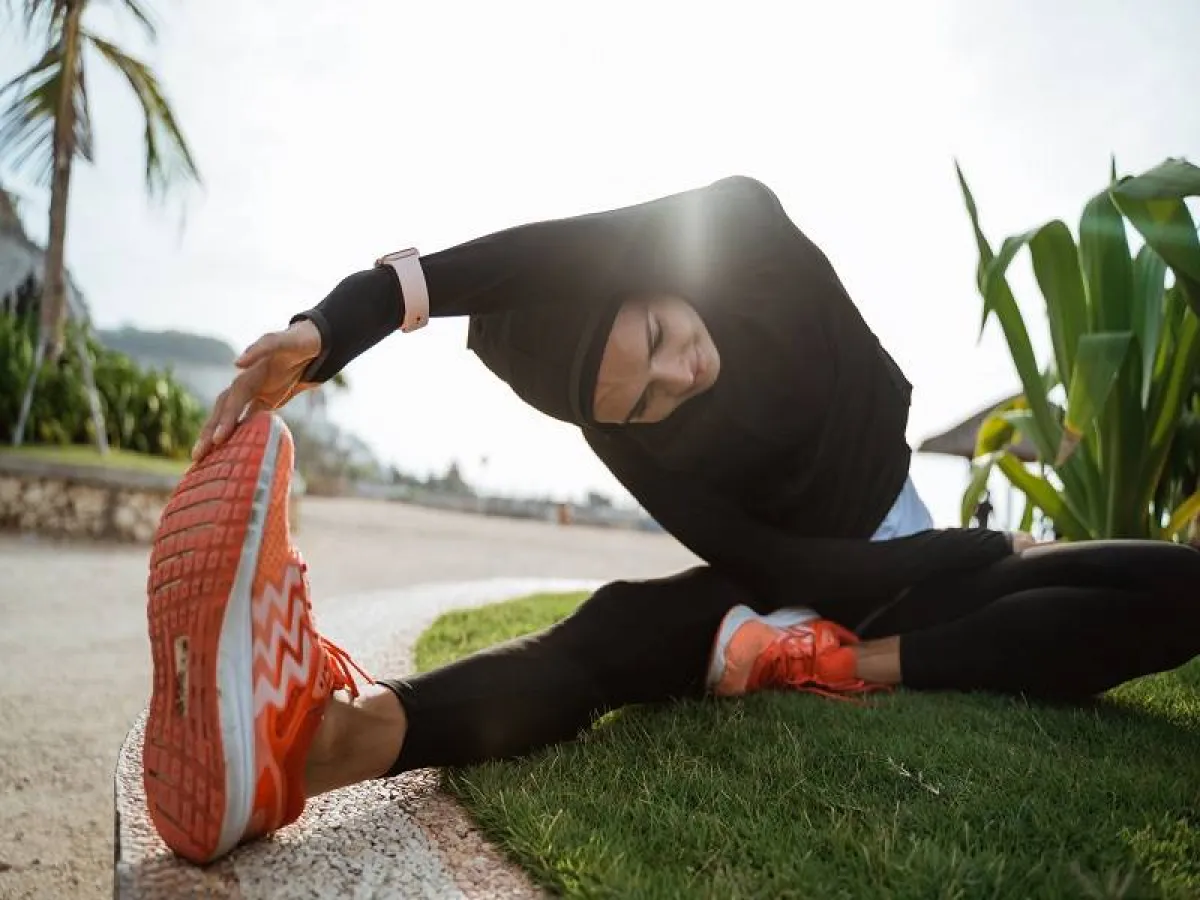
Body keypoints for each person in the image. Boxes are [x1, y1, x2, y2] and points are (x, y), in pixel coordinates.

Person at [142, 177, 1200, 865]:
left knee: (1173, 589)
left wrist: (339, 322)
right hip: (801, 578)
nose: (679, 381)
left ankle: (845, 665)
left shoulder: (739, 231)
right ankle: (312, 745)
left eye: (659, 335)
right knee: (619, 633)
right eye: (639, 397)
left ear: (652, 276)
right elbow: (774, 559)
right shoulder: (628, 436)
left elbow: (552, 252)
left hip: (898, 526)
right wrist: (835, 610)